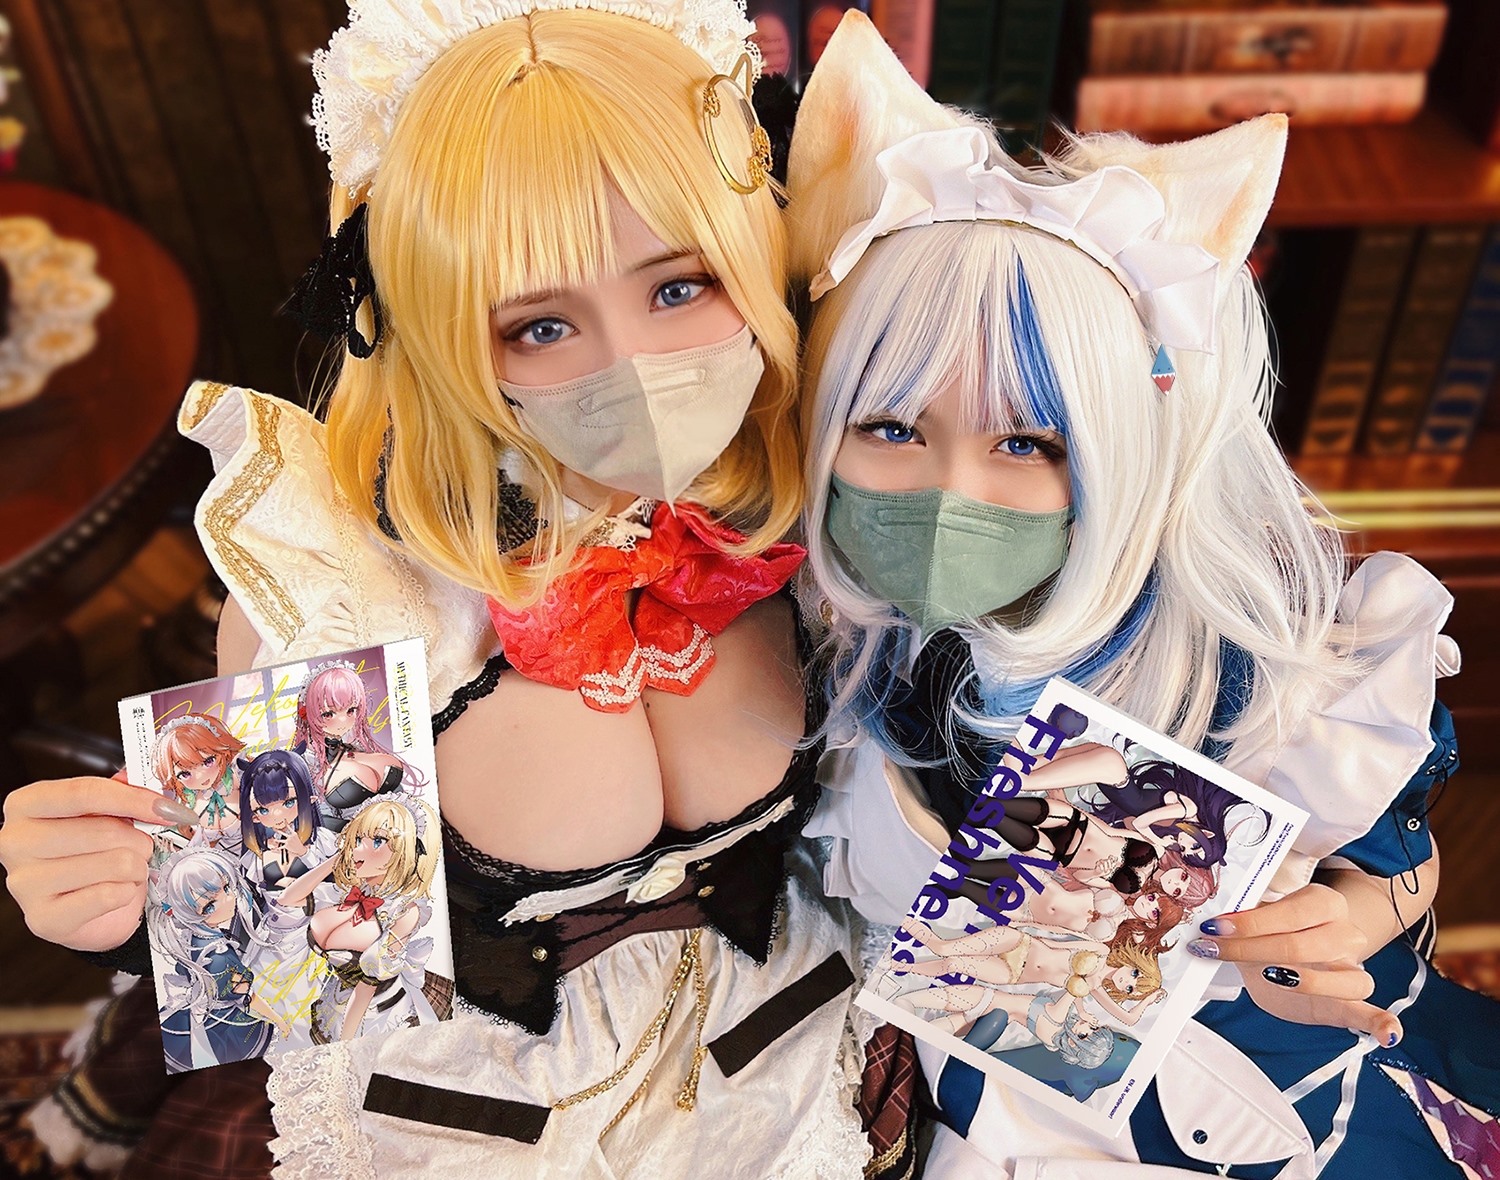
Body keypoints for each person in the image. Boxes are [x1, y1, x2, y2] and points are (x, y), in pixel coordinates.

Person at [1, 3, 872, 1176]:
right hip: (471, 1131)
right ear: (439, 332)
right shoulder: (346, 585)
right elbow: (275, 957)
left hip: (800, 1086)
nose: (631, 364)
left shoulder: (848, 485)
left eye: (679, 288)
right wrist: (115, 902)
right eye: (540, 324)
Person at [791, 12, 1495, 1178]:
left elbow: (1402, 863)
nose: (951, 490)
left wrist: (1350, 913)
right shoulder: (803, 645)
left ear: (1118, 453)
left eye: (1026, 443)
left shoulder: (1253, 667)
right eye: (892, 428)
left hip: (1249, 1113)